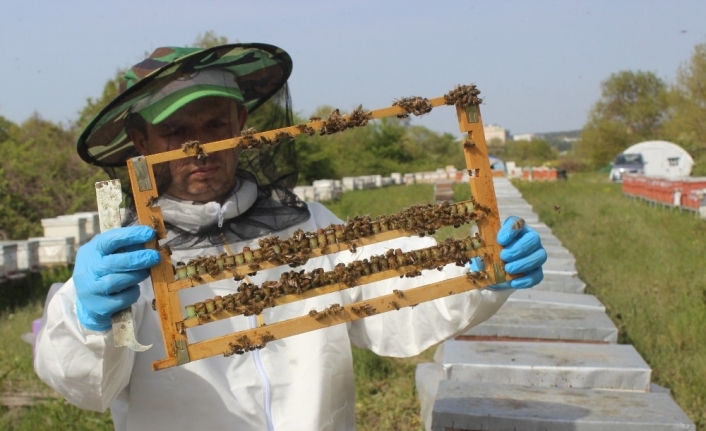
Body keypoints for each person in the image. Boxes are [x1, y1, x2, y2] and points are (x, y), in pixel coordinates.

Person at [35, 43, 547, 431]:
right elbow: (88, 388)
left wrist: (479, 275)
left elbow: (393, 309)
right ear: (141, 142)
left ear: (241, 123)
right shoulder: (124, 258)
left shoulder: (311, 227)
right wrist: (88, 318)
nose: (199, 149)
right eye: (175, 134)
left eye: (214, 126)